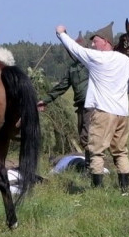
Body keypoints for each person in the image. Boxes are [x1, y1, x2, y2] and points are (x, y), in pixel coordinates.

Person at [55, 22, 129, 194]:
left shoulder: (97, 58)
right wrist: (125, 91)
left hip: (103, 112)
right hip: (122, 114)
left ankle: (97, 191)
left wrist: (61, 34)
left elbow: (76, 49)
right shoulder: (124, 60)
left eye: (95, 41)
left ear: (105, 41)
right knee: (121, 152)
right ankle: (124, 191)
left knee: (96, 151)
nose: (93, 45)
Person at [38, 37, 91, 168]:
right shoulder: (72, 69)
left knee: (87, 136)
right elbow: (62, 86)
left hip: (92, 105)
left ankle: (93, 168)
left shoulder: (91, 64)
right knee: (83, 137)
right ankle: (91, 165)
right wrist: (45, 100)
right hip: (80, 106)